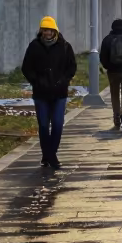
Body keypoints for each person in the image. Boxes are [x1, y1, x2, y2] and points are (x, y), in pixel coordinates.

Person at [21, 16, 77, 169]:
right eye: (45, 30)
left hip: (59, 93)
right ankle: (48, 155)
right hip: (41, 93)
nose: (47, 33)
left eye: (50, 30)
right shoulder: (34, 46)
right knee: (44, 126)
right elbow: (26, 67)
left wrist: (64, 80)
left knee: (58, 124)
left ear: (55, 31)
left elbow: (72, 67)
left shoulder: (65, 46)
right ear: (41, 31)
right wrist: (36, 81)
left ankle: (51, 154)